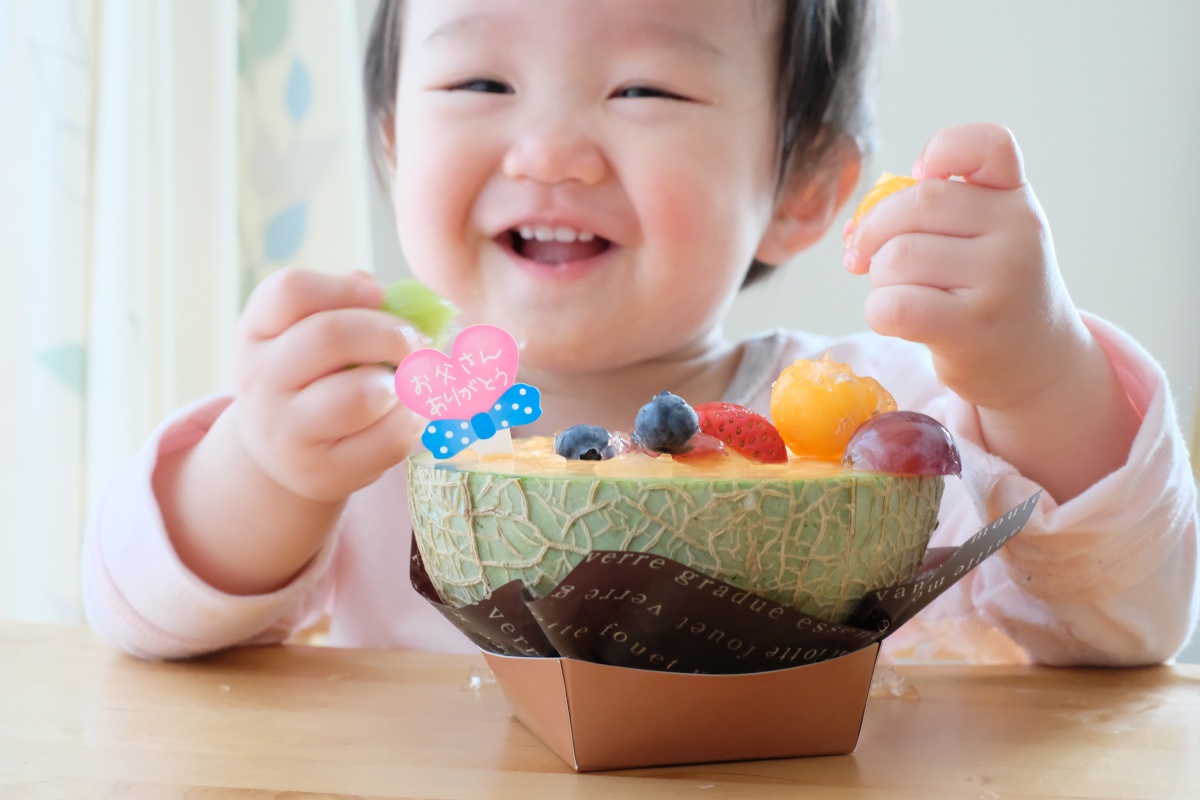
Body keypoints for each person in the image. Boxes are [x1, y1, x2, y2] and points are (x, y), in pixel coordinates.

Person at [83, 0, 1197, 665]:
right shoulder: (374, 425)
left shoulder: (886, 422)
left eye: (645, 91)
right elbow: (138, 615)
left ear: (804, 182)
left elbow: (1130, 622)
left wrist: (1038, 369)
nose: (551, 151)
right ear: (390, 136)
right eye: (480, 78)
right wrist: (265, 471)